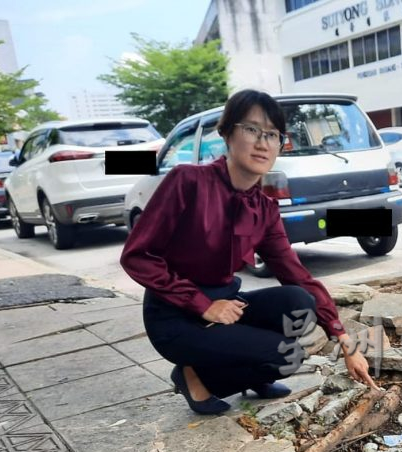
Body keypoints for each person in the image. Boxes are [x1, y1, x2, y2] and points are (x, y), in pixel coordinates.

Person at [120, 89, 376, 415]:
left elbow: (297, 275)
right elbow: (137, 256)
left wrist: (344, 339)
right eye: (251, 129)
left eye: (272, 135)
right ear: (227, 133)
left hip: (227, 306)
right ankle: (193, 377)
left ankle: (254, 374)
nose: (262, 142)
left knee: (300, 303)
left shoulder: (264, 208)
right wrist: (203, 305)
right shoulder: (187, 182)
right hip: (175, 315)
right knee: (287, 355)